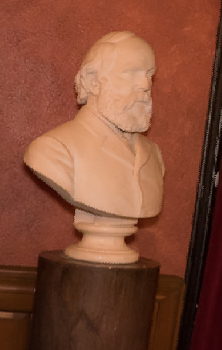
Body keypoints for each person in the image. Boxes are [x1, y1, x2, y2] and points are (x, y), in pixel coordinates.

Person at [23, 31, 163, 220]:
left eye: (149, 74)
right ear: (93, 81)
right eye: (131, 73)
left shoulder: (154, 154)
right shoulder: (53, 150)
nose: (145, 84)